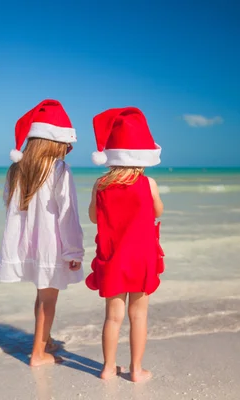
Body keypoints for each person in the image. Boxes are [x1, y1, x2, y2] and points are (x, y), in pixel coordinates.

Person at [0, 99, 85, 367]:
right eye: (66, 144)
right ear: (55, 141)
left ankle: (44, 340)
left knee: (41, 293)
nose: (68, 150)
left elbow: (9, 205)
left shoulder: (17, 169)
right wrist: (73, 250)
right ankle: (38, 354)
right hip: (50, 244)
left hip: (28, 245)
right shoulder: (59, 170)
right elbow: (68, 213)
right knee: (49, 299)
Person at [85, 107, 165, 382]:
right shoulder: (148, 184)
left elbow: (94, 217)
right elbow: (158, 212)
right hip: (142, 259)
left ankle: (108, 368)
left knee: (113, 317)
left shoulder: (101, 185)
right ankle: (136, 370)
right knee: (138, 316)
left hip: (112, 258)